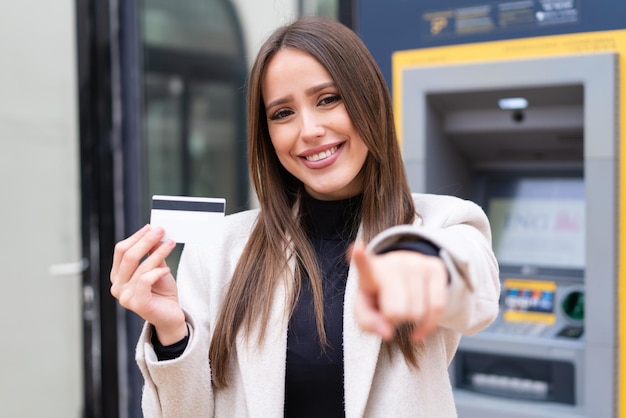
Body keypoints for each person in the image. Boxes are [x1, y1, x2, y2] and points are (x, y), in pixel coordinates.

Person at [110, 16, 500, 418]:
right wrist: (171, 334)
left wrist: (427, 270)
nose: (309, 130)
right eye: (282, 113)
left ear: (368, 100)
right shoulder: (219, 249)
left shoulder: (441, 223)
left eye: (328, 99)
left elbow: (477, 292)